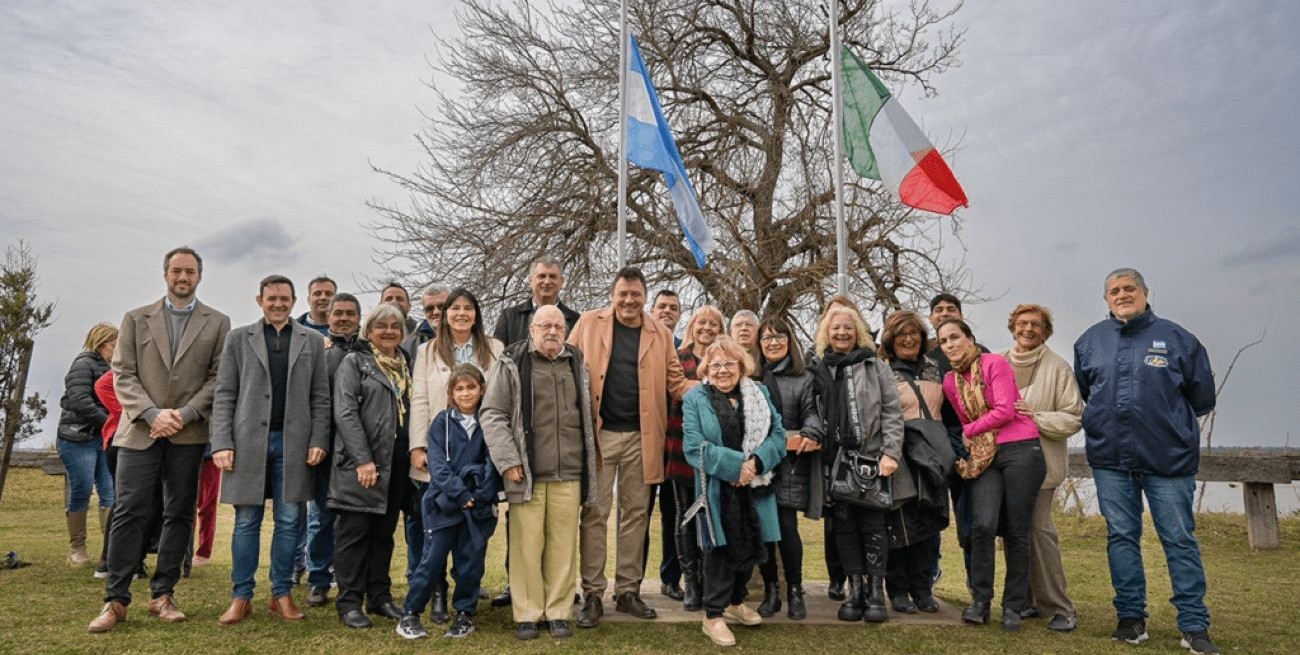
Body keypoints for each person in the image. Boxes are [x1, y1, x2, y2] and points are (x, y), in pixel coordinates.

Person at [1074, 268, 1219, 654]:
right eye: (1114, 290)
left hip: (1167, 460)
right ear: (1106, 298)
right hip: (1110, 460)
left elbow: (1203, 398)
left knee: (1179, 539)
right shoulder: (1089, 342)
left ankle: (1193, 626)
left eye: (1129, 289)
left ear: (1145, 292)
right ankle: (1130, 619)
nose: (1122, 294)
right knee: (1121, 537)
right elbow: (1088, 391)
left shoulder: (1178, 339)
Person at [89, 246, 231, 633]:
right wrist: (152, 414)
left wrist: (184, 415)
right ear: (165, 274)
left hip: (188, 434)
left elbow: (217, 378)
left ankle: (163, 594)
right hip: (139, 433)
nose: (182, 277)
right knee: (129, 511)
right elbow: (123, 373)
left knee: (180, 513)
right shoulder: (136, 319)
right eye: (176, 271)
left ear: (199, 276)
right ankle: (115, 599)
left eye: (189, 271)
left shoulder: (217, 322)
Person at [567, 267, 693, 627]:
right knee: (594, 513)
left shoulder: (660, 333)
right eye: (623, 293)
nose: (629, 300)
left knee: (636, 515)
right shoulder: (588, 324)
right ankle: (592, 593)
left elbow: (675, 382)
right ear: (613, 294)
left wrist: (708, 388)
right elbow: (568, 368)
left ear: (644, 296)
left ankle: (627, 590)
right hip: (600, 436)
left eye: (636, 294)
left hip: (643, 437)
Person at [209, 275, 332, 625]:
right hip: (248, 444)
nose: (278, 304)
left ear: (294, 301)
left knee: (290, 521)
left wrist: (318, 439)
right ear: (259, 300)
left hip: (294, 444)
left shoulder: (311, 341)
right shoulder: (238, 339)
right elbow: (224, 394)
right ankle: (241, 596)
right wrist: (222, 442)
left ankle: (281, 594)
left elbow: (320, 397)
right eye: (271, 298)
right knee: (247, 521)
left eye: (284, 298)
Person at [481, 305, 598, 640]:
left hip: (570, 470)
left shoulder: (577, 361)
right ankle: (529, 613)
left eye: (558, 326)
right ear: (531, 328)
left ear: (565, 330)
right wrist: (508, 460)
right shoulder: (513, 361)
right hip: (526, 472)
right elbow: (492, 413)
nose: (551, 331)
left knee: (563, 545)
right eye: (544, 325)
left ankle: (559, 612)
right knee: (526, 546)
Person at [937, 318, 1045, 631]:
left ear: (969, 338)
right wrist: (972, 432)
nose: (950, 345)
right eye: (944, 341)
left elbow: (1004, 411)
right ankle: (980, 601)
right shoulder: (949, 382)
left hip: (1020, 449)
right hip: (985, 456)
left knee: (1016, 530)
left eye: (955, 337)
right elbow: (965, 416)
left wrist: (970, 430)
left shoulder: (994, 363)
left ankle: (1013, 606)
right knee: (982, 525)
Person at [682, 338, 786, 647]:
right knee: (719, 551)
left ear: (741, 367)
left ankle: (735, 601)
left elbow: (778, 436)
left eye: (729, 364)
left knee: (752, 544)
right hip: (716, 487)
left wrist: (754, 464)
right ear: (707, 369)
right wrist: (735, 467)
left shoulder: (759, 393)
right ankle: (713, 615)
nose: (722, 370)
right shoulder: (695, 398)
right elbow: (694, 446)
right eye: (716, 365)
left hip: (755, 485)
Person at [408, 288, 504, 621]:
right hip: (441, 451)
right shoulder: (427, 351)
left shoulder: (494, 348)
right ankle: (436, 592)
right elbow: (419, 398)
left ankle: (468, 591)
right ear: (445, 314)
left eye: (468, 308)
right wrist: (417, 445)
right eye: (455, 308)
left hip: (480, 451)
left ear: (476, 313)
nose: (461, 313)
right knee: (436, 530)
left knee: (473, 530)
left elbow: (500, 401)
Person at [812, 304, 903, 624]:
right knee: (844, 526)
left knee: (874, 526)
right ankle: (855, 590)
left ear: (858, 332)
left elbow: (892, 411)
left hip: (871, 458)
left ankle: (876, 591)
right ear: (827, 332)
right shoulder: (820, 366)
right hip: (833, 459)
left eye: (848, 328)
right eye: (835, 328)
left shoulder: (875, 366)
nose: (841, 332)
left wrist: (891, 453)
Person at [398, 364, 501, 640]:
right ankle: (410, 613)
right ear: (451, 393)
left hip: (477, 505)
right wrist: (461, 494)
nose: (466, 393)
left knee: (470, 562)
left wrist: (479, 495)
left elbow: (492, 463)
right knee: (431, 560)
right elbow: (439, 467)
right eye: (460, 389)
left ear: (481, 389)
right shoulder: (442, 423)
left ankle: (465, 614)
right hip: (444, 503)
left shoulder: (489, 421)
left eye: (471, 387)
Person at [328, 304, 412, 629]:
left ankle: (379, 597)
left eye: (395, 326)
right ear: (369, 330)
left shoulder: (404, 363)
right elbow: (346, 413)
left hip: (396, 463)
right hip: (362, 464)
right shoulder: (355, 363)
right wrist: (364, 459)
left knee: (383, 534)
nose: (389, 331)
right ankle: (349, 602)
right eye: (382, 326)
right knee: (354, 534)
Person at [1000, 303, 1082, 632]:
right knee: (1013, 534)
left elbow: (1073, 417)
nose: (1028, 329)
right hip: (1005, 465)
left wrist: (1035, 417)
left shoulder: (1058, 368)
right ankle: (1026, 600)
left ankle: (1060, 607)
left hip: (1043, 465)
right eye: (1022, 323)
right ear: (1013, 327)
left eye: (1036, 324)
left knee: (1037, 530)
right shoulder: (998, 362)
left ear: (1046, 331)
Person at [876, 311, 950, 615]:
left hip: (933, 452)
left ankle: (923, 587)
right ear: (890, 340)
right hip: (901, 452)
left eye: (914, 333)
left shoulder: (935, 369)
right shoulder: (884, 371)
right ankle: (898, 588)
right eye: (901, 334)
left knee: (928, 522)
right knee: (900, 524)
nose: (909, 339)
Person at [754, 317, 824, 620]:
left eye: (779, 336)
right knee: (764, 531)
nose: (773, 342)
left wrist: (811, 432)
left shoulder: (804, 377)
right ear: (758, 343)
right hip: (757, 464)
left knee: (786, 529)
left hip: (789, 463)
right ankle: (771, 589)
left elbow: (812, 413)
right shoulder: (750, 376)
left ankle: (794, 589)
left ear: (789, 340)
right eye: (766, 337)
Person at [304, 292, 363, 608]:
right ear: (328, 318)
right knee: (321, 517)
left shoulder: (367, 352)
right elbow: (313, 402)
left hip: (357, 450)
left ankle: (348, 578)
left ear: (358, 317)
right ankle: (318, 578)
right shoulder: (318, 352)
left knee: (352, 520)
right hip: (326, 448)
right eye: (337, 313)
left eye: (349, 314)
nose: (343, 318)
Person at [663, 305, 724, 610]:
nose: (707, 327)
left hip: (716, 450)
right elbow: (675, 389)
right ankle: (691, 582)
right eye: (702, 322)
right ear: (693, 325)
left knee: (711, 512)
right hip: (680, 443)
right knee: (683, 513)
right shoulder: (679, 356)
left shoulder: (724, 358)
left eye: (714, 323)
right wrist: (710, 388)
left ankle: (709, 577)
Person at [57, 322, 117, 567]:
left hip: (100, 438)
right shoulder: (83, 364)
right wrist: (108, 423)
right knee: (81, 490)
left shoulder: (111, 367)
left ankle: (110, 549)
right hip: (77, 437)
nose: (118, 349)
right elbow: (80, 400)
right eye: (114, 344)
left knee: (109, 492)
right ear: (102, 344)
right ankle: (77, 548)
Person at [646, 288, 683, 599]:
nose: (666, 311)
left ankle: (671, 578)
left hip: (674, 448)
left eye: (673, 307)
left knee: (674, 515)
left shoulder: (683, 351)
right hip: (644, 443)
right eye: (661, 306)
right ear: (652, 310)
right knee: (637, 515)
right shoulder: (641, 345)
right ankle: (629, 583)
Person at [493, 257, 582, 347]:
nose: (547, 281)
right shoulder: (509, 317)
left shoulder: (576, 320)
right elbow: (498, 355)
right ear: (531, 281)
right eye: (542, 276)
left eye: (552, 276)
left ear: (561, 282)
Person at [403, 284, 449, 358]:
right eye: (430, 308)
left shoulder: (469, 337)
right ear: (424, 312)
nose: (436, 312)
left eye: (442, 307)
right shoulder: (410, 344)